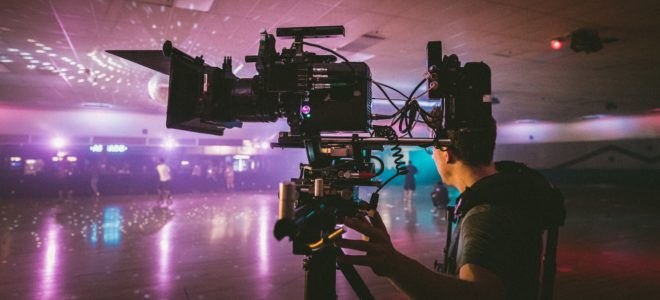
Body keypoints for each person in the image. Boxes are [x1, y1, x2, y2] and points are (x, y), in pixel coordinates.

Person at [336, 118, 565, 300]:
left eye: (432, 151)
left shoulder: (484, 215)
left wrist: (395, 266)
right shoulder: (507, 191)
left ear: (446, 153)